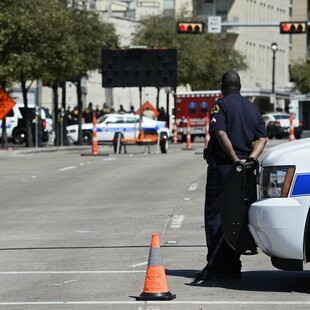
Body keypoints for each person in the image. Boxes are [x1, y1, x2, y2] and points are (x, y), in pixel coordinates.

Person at [195, 70, 267, 281]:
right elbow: (262, 138)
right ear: (240, 86)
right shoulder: (252, 108)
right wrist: (249, 159)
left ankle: (216, 267)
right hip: (246, 173)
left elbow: (220, 133)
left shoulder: (221, 105)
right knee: (237, 218)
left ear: (222, 87)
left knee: (216, 218)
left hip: (225, 169)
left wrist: (235, 159)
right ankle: (233, 266)